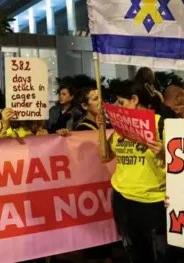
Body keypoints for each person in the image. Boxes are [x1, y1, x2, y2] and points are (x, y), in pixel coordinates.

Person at [97, 81, 168, 263]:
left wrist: (163, 152)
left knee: (159, 255)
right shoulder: (121, 130)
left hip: (153, 202)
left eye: (122, 103)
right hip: (123, 200)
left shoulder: (161, 125)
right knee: (134, 254)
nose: (119, 108)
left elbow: (181, 163)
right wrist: (102, 128)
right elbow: (105, 157)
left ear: (134, 100)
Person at [74, 87, 115, 263]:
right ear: (84, 106)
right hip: (91, 189)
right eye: (94, 99)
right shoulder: (82, 128)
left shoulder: (110, 124)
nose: (100, 102)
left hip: (109, 184)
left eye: (101, 98)